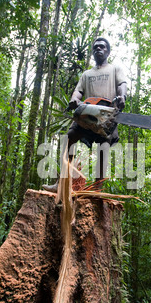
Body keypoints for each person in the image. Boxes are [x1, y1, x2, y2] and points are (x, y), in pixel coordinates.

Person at [42, 37, 127, 192]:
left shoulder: (115, 69)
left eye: (102, 47)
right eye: (95, 47)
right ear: (93, 52)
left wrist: (122, 96)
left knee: (104, 146)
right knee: (70, 138)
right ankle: (61, 183)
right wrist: (74, 100)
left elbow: (122, 84)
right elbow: (78, 91)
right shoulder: (87, 74)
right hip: (88, 112)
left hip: (107, 113)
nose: (99, 49)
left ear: (107, 51)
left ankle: (97, 190)